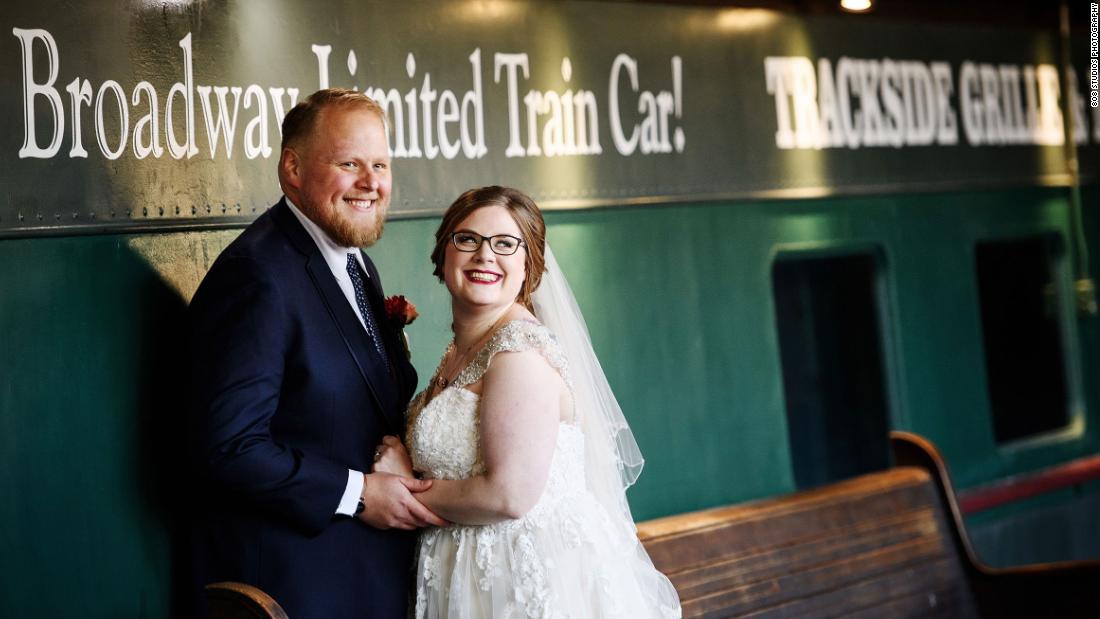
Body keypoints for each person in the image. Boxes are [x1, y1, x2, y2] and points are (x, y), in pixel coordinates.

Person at [187, 88, 445, 619]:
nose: (371, 182)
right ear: (293, 169)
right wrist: (356, 493)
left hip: (366, 579)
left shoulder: (354, 263)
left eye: (380, 164)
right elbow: (229, 448)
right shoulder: (257, 275)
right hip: (296, 589)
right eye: (349, 163)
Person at [373, 186, 682, 618]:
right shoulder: (462, 351)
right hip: (461, 572)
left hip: (518, 578)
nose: (485, 255)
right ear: (444, 255)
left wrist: (405, 489)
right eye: (468, 239)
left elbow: (508, 496)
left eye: (505, 244)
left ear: (528, 265)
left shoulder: (518, 353)